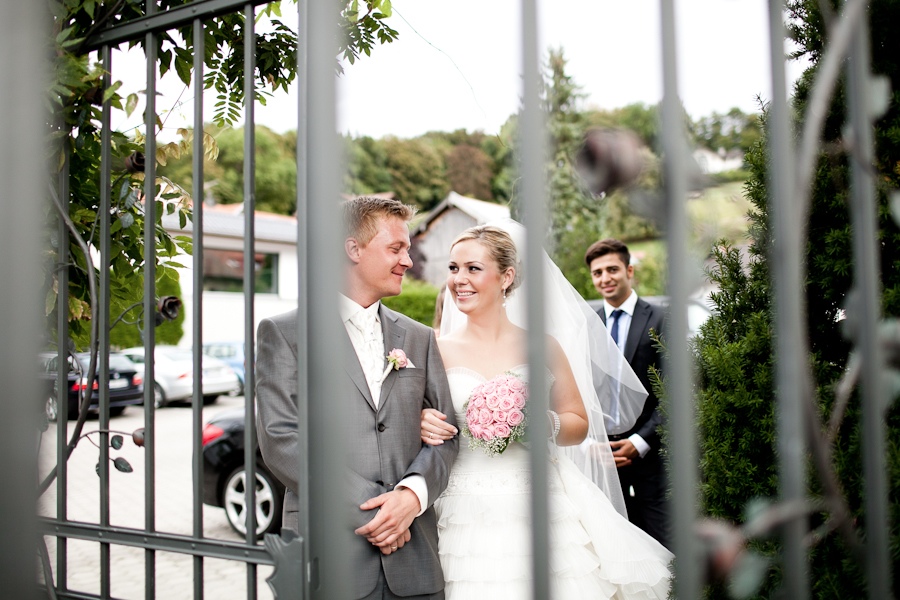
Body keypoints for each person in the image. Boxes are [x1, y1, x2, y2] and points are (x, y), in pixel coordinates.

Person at [420, 221, 672, 598]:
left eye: (473, 268)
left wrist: (543, 423)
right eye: (453, 268)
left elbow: (578, 422)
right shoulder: (433, 348)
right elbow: (413, 420)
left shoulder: (543, 345)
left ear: (506, 276)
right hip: (462, 507)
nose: (459, 279)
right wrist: (422, 421)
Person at [256, 196, 459, 600]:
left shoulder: (418, 337)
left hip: (414, 556)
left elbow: (446, 432)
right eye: (395, 248)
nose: (407, 260)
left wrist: (411, 496)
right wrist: (383, 511)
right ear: (353, 249)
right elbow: (281, 440)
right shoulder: (286, 334)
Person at [584, 238, 669, 548]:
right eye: (597, 273)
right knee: (612, 544)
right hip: (600, 454)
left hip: (651, 451)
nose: (604, 278)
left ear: (629, 270)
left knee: (663, 539)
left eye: (612, 269)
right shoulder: (586, 323)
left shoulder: (661, 319)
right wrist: (590, 441)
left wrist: (639, 442)